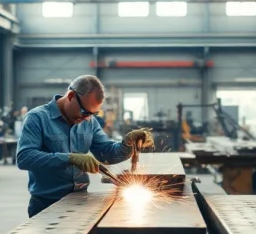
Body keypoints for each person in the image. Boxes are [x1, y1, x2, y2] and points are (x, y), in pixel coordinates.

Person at [17, 75, 154, 218]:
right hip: (46, 203)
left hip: (80, 201)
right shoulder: (37, 118)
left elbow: (107, 153)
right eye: (85, 112)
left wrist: (128, 144)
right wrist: (69, 158)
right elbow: (24, 158)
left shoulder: (90, 122)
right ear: (70, 96)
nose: (87, 118)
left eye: (93, 114)